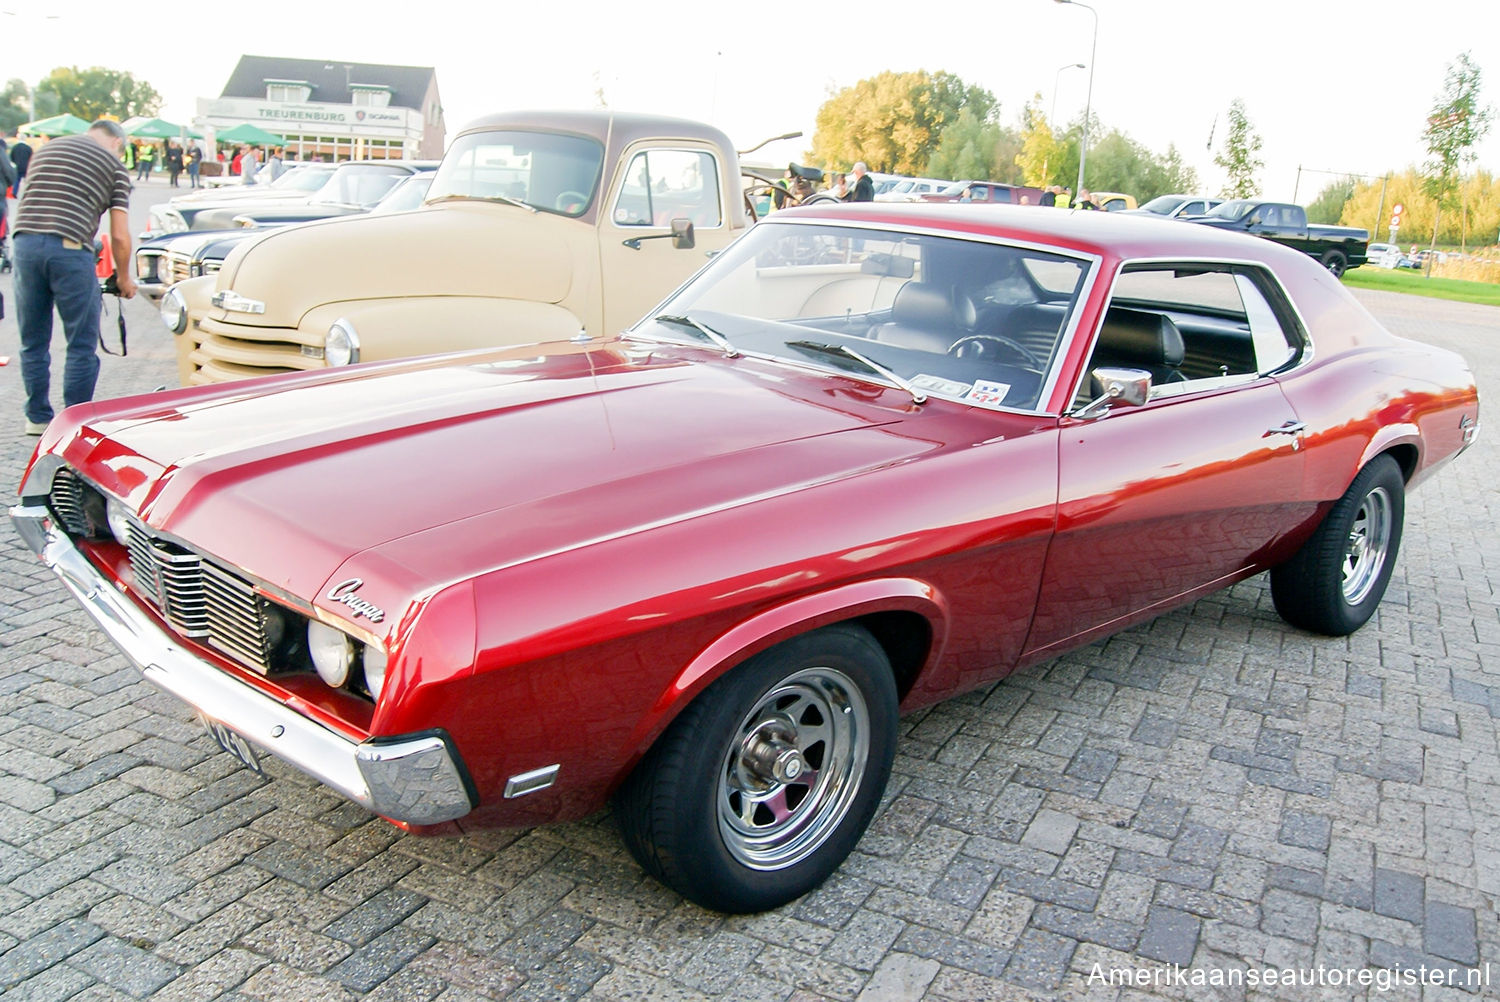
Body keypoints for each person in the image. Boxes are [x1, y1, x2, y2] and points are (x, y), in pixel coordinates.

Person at [11, 119, 137, 435]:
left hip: (24, 244)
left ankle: (37, 417)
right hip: (70, 249)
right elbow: (120, 236)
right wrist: (124, 277)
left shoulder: (48, 148)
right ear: (117, 144)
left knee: (33, 341)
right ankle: (73, 425)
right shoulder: (114, 166)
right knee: (81, 344)